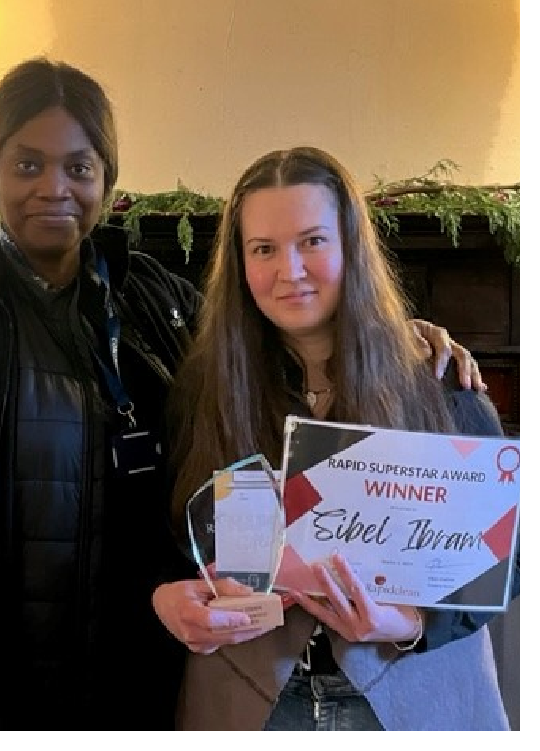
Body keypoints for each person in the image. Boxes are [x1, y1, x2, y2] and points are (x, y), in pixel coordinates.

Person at [0, 58, 480, 730]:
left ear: (107, 178)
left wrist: (397, 337)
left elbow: (215, 436)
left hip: (153, 675)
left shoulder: (154, 298)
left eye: (80, 167)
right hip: (14, 692)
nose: (55, 189)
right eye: (27, 165)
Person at [151, 146, 513, 731]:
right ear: (240, 264)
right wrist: (164, 596)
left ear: (351, 247)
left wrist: (407, 622)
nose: (289, 271)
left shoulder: (436, 377)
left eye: (313, 241)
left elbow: (506, 554)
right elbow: (173, 531)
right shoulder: (203, 387)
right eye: (263, 248)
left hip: (415, 697)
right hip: (247, 698)